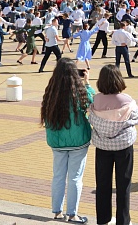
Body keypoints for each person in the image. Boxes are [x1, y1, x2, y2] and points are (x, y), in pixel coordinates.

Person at [40, 58, 95, 223]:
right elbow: (92, 103)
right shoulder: (79, 91)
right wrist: (87, 83)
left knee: (58, 176)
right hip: (78, 141)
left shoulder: (51, 91)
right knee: (75, 178)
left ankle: (57, 211)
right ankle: (72, 214)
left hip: (57, 141)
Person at [89, 65, 138, 225]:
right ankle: (123, 221)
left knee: (102, 183)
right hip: (123, 146)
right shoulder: (126, 100)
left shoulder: (97, 99)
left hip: (102, 146)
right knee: (123, 184)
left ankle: (103, 219)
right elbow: (137, 117)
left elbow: (91, 117)